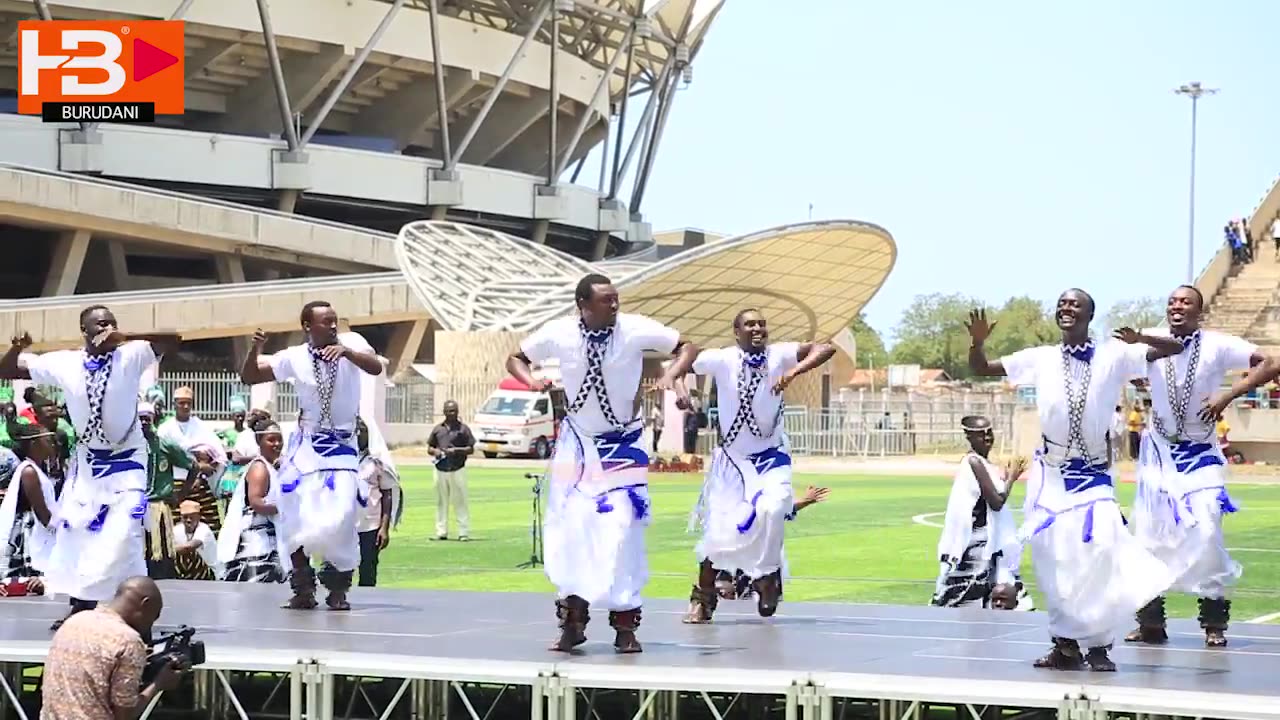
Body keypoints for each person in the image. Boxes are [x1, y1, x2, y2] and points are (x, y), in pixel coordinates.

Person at [965, 289, 1181, 671]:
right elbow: (981, 368)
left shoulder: (1115, 354)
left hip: (1094, 473)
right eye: (1062, 303)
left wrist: (1141, 339)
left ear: (1089, 315)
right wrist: (977, 343)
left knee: (1098, 552)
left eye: (1075, 304)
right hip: (1051, 473)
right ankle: (1064, 646)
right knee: (1054, 560)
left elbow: (1175, 347)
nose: (1066, 308)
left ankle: (1098, 646)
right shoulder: (1040, 357)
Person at [506, 273, 698, 653]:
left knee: (624, 527)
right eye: (605, 301)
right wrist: (530, 381)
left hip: (623, 444)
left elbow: (686, 345)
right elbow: (516, 357)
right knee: (571, 528)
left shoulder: (635, 328)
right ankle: (572, 622)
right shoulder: (559, 332)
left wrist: (672, 374)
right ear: (583, 305)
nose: (614, 305)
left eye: (615, 299)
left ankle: (625, 626)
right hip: (574, 446)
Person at [0, 305, 181, 630]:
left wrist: (121, 337)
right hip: (88, 465)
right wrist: (17, 347)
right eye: (100, 324)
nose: (107, 328)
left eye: (111, 322)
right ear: (84, 331)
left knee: (124, 532)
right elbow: (7, 369)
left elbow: (173, 338)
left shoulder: (132, 354)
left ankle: (133, 609)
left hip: (128, 462)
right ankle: (80, 606)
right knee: (78, 530)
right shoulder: (65, 362)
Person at [1129, 285, 1280, 647]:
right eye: (1172, 302)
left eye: (1186, 302)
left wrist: (1227, 395)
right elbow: (1123, 367)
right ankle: (1150, 621)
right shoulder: (1151, 340)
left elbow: (1272, 362)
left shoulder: (1218, 344)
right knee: (1149, 533)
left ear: (1200, 312)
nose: (1176, 306)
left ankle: (1214, 622)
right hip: (1159, 449)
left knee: (1208, 527)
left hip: (1201, 451)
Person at [682, 309, 835, 623]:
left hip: (771, 456)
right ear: (736, 331)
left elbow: (826, 347)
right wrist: (677, 384)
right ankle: (703, 599)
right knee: (720, 533)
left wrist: (795, 371)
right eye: (749, 324)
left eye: (762, 324)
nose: (757, 329)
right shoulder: (723, 359)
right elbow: (688, 356)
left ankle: (766, 577)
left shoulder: (780, 355)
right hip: (732, 463)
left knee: (775, 506)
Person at [238, 301, 383, 610]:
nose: (333, 326)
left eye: (335, 321)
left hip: (342, 445)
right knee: (292, 511)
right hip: (306, 444)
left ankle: (337, 587)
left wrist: (347, 352)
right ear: (307, 326)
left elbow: (376, 367)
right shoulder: (294, 356)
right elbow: (250, 376)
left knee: (343, 515)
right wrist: (256, 349)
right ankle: (303, 587)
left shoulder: (352, 344)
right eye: (326, 322)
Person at [41, 576, 189, 720]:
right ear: (145, 603)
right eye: (154, 616)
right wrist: (159, 684)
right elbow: (125, 715)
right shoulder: (128, 641)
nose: (151, 624)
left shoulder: (74, 621)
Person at [930, 416, 1027, 609]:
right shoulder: (974, 462)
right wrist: (1011, 479)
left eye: (989, 432)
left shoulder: (983, 462)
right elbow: (997, 501)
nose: (987, 437)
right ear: (969, 437)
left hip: (986, 543)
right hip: (977, 545)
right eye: (981, 434)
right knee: (963, 595)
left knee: (987, 594)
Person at [711, 484, 829, 602]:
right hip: (741, 555)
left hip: (765, 557)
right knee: (741, 599)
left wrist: (805, 501)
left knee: (766, 603)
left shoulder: (770, 488)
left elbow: (780, 512)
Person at [138, 402, 205, 581]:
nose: (143, 422)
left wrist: (181, 494)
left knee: (159, 557)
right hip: (132, 509)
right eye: (140, 418)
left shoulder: (163, 443)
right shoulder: (130, 445)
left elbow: (193, 466)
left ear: (153, 419)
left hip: (156, 507)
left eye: (147, 418)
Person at [218, 416, 288, 583]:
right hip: (256, 546)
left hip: (270, 544)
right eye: (271, 440)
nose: (277, 444)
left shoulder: (273, 466)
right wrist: (287, 506)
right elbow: (256, 502)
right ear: (259, 441)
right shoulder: (259, 468)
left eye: (279, 439)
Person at [0, 421, 58, 593]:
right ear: (34, 443)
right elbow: (43, 514)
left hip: (36, 531)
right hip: (28, 534)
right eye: (48, 440)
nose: (53, 445)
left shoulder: (38, 469)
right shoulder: (29, 472)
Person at [352, 417, 398, 586]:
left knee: (368, 567)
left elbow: (387, 493)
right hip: (344, 525)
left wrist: (384, 527)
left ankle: (367, 604)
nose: (358, 434)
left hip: (369, 524)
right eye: (355, 430)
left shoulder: (377, 462)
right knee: (340, 568)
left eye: (362, 431)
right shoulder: (341, 458)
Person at [427, 400, 474, 541]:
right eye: (449, 411)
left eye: (454, 410)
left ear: (458, 411)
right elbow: (429, 447)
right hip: (440, 469)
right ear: (444, 412)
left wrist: (456, 451)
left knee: (460, 501)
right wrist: (436, 452)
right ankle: (441, 531)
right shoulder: (437, 429)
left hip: (457, 468)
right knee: (441, 501)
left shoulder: (463, 429)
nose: (451, 413)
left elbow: (471, 449)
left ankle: (463, 532)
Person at [174, 499, 220, 580]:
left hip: (210, 574)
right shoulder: (177, 530)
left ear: (199, 517)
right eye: (185, 517)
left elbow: (189, 547)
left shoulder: (204, 529)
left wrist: (170, 549)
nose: (188, 520)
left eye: (192, 517)